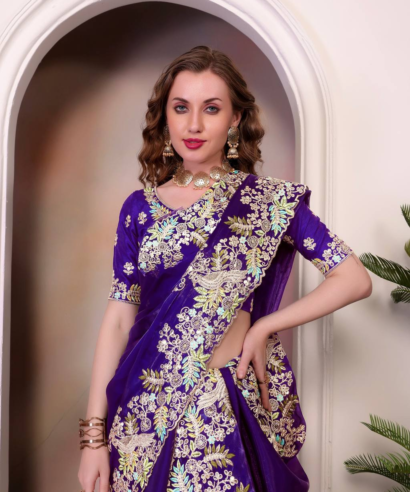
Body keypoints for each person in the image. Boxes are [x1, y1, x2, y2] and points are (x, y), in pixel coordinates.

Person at [77, 46, 372, 492]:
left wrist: (264, 326)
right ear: (165, 118)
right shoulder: (139, 210)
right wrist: (93, 438)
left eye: (211, 108)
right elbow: (119, 319)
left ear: (235, 119)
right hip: (144, 415)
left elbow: (354, 278)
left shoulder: (268, 203)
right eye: (181, 108)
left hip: (226, 413)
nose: (194, 124)